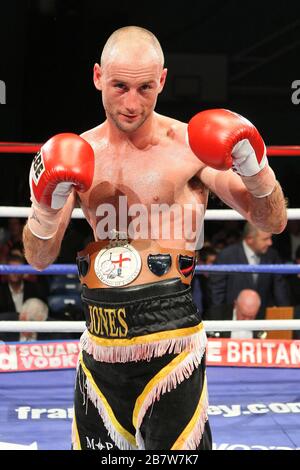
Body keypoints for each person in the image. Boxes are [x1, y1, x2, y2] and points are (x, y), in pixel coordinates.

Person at [22, 26, 287, 451]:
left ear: (162, 80)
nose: (132, 103)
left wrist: (257, 171)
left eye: (145, 88)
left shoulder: (191, 146)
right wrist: (46, 209)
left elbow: (271, 221)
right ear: (97, 77)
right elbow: (37, 257)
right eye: (120, 86)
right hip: (99, 346)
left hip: (173, 347)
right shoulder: (81, 152)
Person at [208, 222, 290, 319]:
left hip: (262, 319)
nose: (270, 243)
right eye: (265, 239)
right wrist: (220, 322)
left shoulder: (272, 256)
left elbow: (280, 290)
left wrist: (285, 317)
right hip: (232, 319)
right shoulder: (227, 255)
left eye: (270, 238)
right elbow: (217, 292)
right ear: (249, 239)